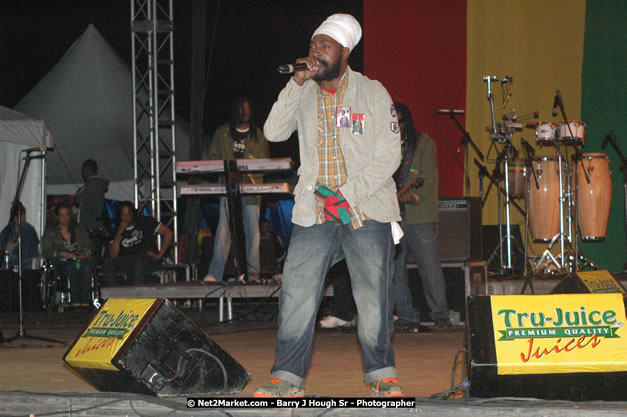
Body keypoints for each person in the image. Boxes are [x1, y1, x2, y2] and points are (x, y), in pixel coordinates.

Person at [255, 14, 403, 397]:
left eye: (325, 45)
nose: (316, 51)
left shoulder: (372, 92)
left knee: (372, 297)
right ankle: (287, 376)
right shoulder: (304, 91)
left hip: (364, 207)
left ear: (345, 52)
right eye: (313, 44)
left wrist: (348, 194)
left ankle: (381, 373)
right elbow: (273, 132)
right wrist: (295, 82)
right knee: (297, 292)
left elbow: (390, 154)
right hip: (315, 210)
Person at [392, 103, 451, 331]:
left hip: (420, 215)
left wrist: (407, 198)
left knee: (429, 267)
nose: (397, 126)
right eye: (393, 122)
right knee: (395, 270)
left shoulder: (424, 143)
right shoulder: (384, 144)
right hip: (392, 215)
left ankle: (441, 315)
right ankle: (406, 315)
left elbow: (427, 181)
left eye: (401, 121)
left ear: (408, 121)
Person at [203, 97, 270, 282]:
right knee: (223, 230)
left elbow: (265, 164)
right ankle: (214, 274)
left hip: (251, 190)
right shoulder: (223, 133)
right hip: (228, 188)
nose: (245, 111)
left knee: (252, 232)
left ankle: (253, 275)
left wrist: (248, 168)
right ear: (235, 111)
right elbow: (213, 158)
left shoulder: (258, 135)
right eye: (241, 108)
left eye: (248, 108)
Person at [102, 202, 173, 286]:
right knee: (108, 262)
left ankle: (138, 291)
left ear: (133, 214)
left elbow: (168, 232)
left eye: (128, 214)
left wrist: (160, 255)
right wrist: (119, 233)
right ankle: (111, 292)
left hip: (146, 258)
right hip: (127, 260)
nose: (125, 217)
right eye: (123, 214)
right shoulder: (117, 230)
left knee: (139, 260)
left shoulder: (145, 222)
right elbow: (113, 255)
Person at [41, 203, 94, 305]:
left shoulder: (79, 229)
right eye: (62, 215)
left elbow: (89, 246)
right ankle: (75, 301)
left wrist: (84, 254)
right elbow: (46, 251)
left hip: (79, 259)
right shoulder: (50, 232)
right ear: (57, 217)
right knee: (71, 267)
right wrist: (62, 254)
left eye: (67, 215)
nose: (65, 218)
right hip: (62, 262)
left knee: (87, 267)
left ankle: (84, 300)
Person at [75, 159, 109, 262]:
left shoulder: (91, 186)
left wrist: (79, 190)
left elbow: (78, 199)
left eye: (83, 171)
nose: (82, 174)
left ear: (87, 170)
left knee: (89, 259)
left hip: (90, 229)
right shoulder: (96, 185)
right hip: (93, 229)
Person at [0, 201, 40, 271]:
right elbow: (2, 249)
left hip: (27, 267)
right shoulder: (7, 230)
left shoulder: (29, 230)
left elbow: (24, 253)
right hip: (10, 267)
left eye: (21, 215)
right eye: (16, 216)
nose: (18, 218)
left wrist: (12, 246)